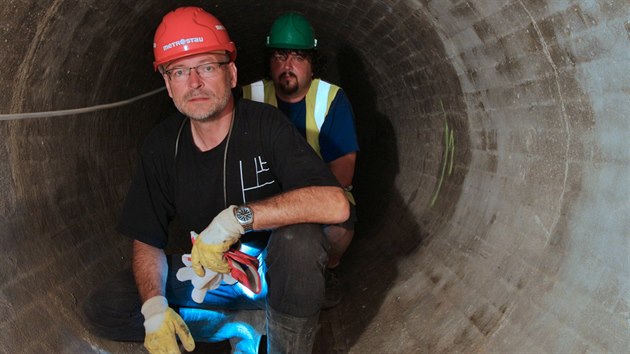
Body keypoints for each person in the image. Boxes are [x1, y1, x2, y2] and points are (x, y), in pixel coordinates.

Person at [82, 7, 349, 354]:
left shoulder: (265, 125)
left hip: (270, 271)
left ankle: (286, 342)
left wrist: (237, 219)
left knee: (301, 242)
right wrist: (153, 309)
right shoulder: (163, 146)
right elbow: (146, 241)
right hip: (211, 274)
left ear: (232, 73)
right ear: (167, 84)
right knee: (108, 304)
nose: (194, 83)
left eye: (207, 67)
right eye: (179, 71)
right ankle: (237, 325)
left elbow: (336, 203)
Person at [241, 13, 359, 295]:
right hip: (261, 200)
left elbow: (343, 172)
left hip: (317, 196)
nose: (287, 66)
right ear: (269, 63)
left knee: (340, 228)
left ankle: (326, 268)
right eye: (280, 56)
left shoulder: (330, 98)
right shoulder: (249, 97)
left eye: (298, 57)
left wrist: (294, 209)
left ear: (312, 63)